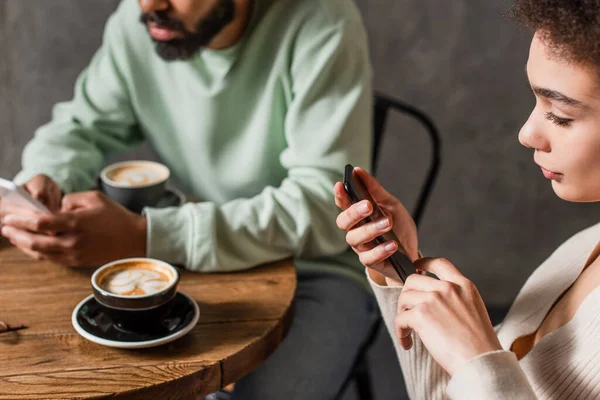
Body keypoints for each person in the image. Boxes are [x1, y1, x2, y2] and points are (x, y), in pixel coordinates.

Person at [0, 0, 378, 398]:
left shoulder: (322, 21)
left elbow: (324, 205)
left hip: (317, 270)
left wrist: (146, 235)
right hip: (193, 261)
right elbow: (77, 130)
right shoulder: (139, 21)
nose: (151, 5)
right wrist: (47, 183)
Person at [335, 0, 600, 398]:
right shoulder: (582, 249)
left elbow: (482, 374)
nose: (527, 134)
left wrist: (477, 357)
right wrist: (405, 272)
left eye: (560, 115)